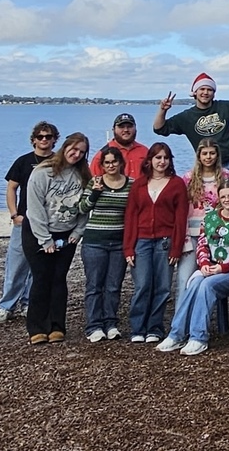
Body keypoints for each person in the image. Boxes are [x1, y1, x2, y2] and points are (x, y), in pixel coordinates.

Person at [155, 180, 229, 356]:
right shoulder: (210, 218)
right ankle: (177, 334)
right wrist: (204, 264)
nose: (227, 199)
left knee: (206, 285)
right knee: (194, 283)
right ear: (219, 198)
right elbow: (202, 245)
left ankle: (199, 338)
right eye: (223, 196)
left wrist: (222, 268)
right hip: (209, 268)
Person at [22, 133, 91, 345]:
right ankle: (37, 327)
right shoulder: (43, 172)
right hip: (38, 232)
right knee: (42, 278)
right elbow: (34, 208)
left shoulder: (82, 175)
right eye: (74, 149)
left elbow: (85, 206)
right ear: (65, 146)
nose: (76, 154)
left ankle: (57, 326)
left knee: (59, 279)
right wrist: (45, 240)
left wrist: (78, 232)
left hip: (67, 234)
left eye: (81, 152)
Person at [0, 121, 58, 325]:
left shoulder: (59, 162)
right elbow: (11, 188)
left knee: (39, 267)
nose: (44, 140)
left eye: (48, 136)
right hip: (24, 222)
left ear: (54, 139)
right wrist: (14, 215)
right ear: (34, 140)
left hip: (50, 224)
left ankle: (30, 303)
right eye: (40, 136)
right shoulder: (23, 161)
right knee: (16, 265)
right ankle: (6, 306)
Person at [123, 143, 188, 344]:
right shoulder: (139, 184)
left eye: (165, 158)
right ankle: (138, 328)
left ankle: (155, 327)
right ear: (150, 160)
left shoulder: (177, 184)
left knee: (162, 287)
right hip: (141, 241)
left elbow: (181, 218)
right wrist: (128, 247)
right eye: (158, 157)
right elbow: (131, 216)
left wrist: (176, 248)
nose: (162, 161)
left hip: (165, 241)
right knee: (143, 284)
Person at [78, 146, 132, 342]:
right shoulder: (95, 182)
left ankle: (111, 323)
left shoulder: (131, 184)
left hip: (118, 242)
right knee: (95, 285)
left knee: (113, 285)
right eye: (107, 162)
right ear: (102, 165)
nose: (111, 165)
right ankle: (94, 326)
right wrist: (94, 193)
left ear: (121, 163)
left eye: (114, 161)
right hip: (95, 242)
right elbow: (82, 208)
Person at [177, 139, 229, 305]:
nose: (208, 157)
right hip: (193, 233)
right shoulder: (188, 178)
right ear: (199, 156)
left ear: (217, 155)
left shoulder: (225, 175)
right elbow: (182, 209)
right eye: (205, 153)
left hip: (216, 234)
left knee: (211, 277)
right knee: (184, 278)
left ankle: (203, 315)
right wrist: (184, 237)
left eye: (212, 153)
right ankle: (180, 319)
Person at [152, 73, 229, 165]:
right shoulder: (186, 117)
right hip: (208, 167)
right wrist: (163, 110)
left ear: (214, 93)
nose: (205, 92)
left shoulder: (224, 107)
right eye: (202, 89)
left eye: (209, 90)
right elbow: (159, 129)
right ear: (195, 92)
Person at [90, 113, 148, 179]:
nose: (126, 130)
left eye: (129, 126)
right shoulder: (101, 155)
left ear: (135, 129)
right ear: (113, 130)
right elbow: (94, 180)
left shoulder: (145, 151)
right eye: (121, 127)